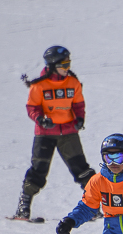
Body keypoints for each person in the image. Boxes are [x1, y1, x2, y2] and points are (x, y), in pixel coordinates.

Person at [13, 46, 96, 221]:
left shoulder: (73, 83)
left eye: (68, 64)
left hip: (68, 133)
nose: (67, 68)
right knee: (38, 170)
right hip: (45, 134)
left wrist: (80, 118)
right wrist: (40, 119)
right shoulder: (39, 85)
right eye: (63, 65)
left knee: (81, 169)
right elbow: (32, 107)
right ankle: (23, 207)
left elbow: (78, 105)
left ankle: (94, 206)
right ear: (52, 66)